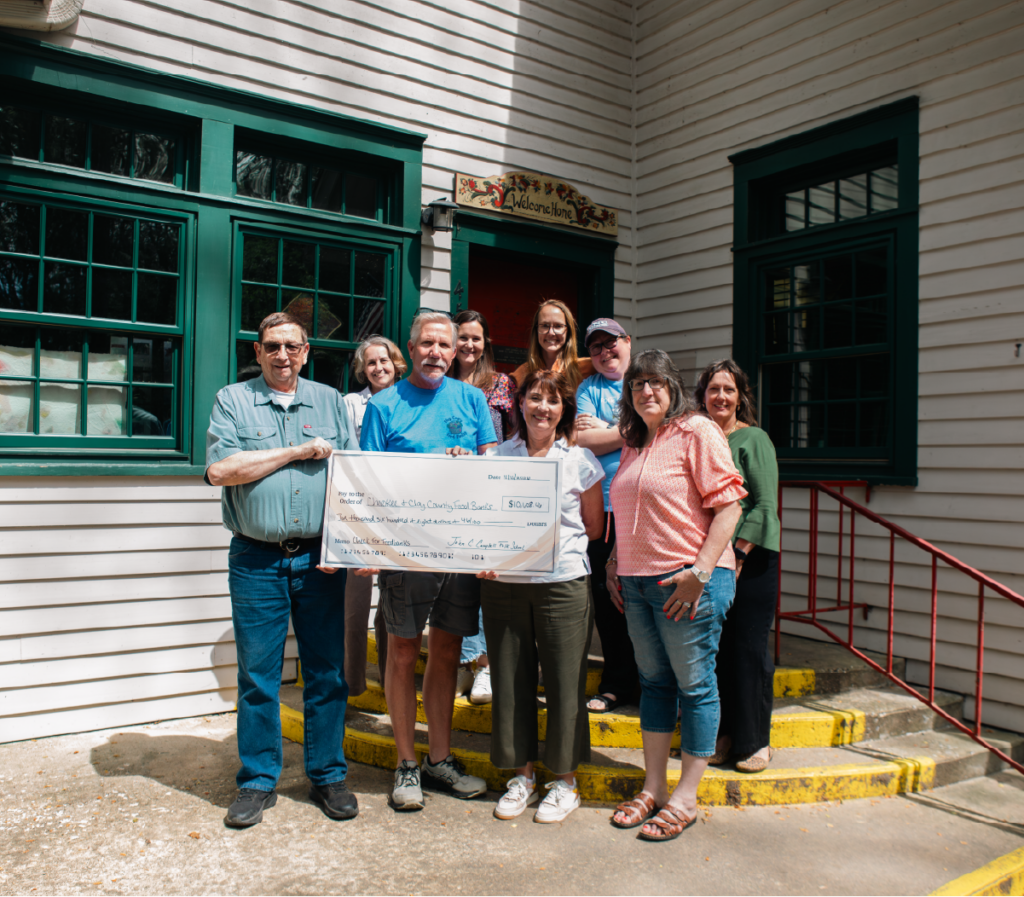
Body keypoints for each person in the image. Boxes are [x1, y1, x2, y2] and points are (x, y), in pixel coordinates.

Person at [205, 312, 358, 828]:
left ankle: (328, 774)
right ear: (258, 352)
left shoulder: (331, 402)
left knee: (326, 673)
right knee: (258, 677)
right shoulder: (233, 400)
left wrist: (345, 549)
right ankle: (257, 781)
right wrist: (296, 451)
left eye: (292, 346)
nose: (283, 355)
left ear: (307, 350)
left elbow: (352, 479)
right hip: (256, 559)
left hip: (319, 560)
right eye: (272, 346)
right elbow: (222, 470)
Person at [358, 310, 497, 812]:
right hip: (405, 551)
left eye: (446, 344)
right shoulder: (384, 405)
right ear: (410, 348)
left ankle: (439, 758)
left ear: (458, 350)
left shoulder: (472, 399)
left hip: (458, 550)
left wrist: (473, 465)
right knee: (401, 652)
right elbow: (366, 482)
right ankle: (406, 764)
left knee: (446, 652)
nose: (436, 352)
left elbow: (493, 469)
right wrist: (368, 549)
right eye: (427, 344)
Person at [606, 350, 745, 841]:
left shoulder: (698, 431)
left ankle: (685, 796)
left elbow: (729, 509)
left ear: (673, 388)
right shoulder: (633, 442)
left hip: (686, 583)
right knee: (655, 684)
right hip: (637, 583)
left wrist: (700, 572)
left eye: (657, 382)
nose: (647, 391)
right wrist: (613, 560)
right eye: (638, 383)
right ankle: (654, 788)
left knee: (695, 686)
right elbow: (628, 508)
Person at [477, 369, 604, 823]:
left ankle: (565, 782)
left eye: (552, 401)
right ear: (520, 404)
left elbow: (593, 528)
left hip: (563, 583)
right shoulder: (497, 456)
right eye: (534, 398)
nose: (542, 408)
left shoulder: (581, 460)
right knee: (511, 679)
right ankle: (523, 776)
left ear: (563, 409)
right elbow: (481, 520)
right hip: (505, 586)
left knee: (565, 682)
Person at [695, 359, 781, 774]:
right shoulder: (697, 438)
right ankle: (724, 735)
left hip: (751, 556)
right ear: (702, 396)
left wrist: (741, 555)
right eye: (713, 389)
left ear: (740, 396)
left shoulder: (753, 439)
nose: (721, 397)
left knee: (747, 650)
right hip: (709, 557)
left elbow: (764, 506)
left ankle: (755, 740)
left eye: (728, 389)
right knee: (718, 650)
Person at [447, 309, 517, 705]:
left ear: (486, 341)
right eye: (462, 337)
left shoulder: (501, 383)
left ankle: (485, 664)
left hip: (489, 488)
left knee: (484, 574)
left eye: (476, 337)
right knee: (456, 577)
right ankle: (465, 659)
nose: (468, 345)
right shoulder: (441, 383)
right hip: (450, 490)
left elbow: (511, 436)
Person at [575, 318, 639, 714]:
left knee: (643, 596)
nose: (603, 352)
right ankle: (616, 682)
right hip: (603, 507)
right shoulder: (588, 389)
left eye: (610, 343)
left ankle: (651, 681)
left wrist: (610, 430)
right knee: (606, 597)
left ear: (627, 342)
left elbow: (658, 429)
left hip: (643, 507)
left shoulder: (646, 378)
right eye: (595, 347)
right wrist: (629, 430)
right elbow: (582, 440)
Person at [341, 335, 407, 697]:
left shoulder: (410, 400)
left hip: (400, 511)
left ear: (397, 362)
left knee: (393, 597)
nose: (379, 368)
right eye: (371, 363)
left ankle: (388, 676)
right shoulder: (351, 404)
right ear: (363, 370)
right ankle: (352, 680)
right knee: (355, 596)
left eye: (384, 361)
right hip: (360, 508)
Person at [510, 298, 593, 393]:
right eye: (545, 325)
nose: (551, 333)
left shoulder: (589, 368)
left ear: (568, 331)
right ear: (536, 330)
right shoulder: (521, 374)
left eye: (558, 326)